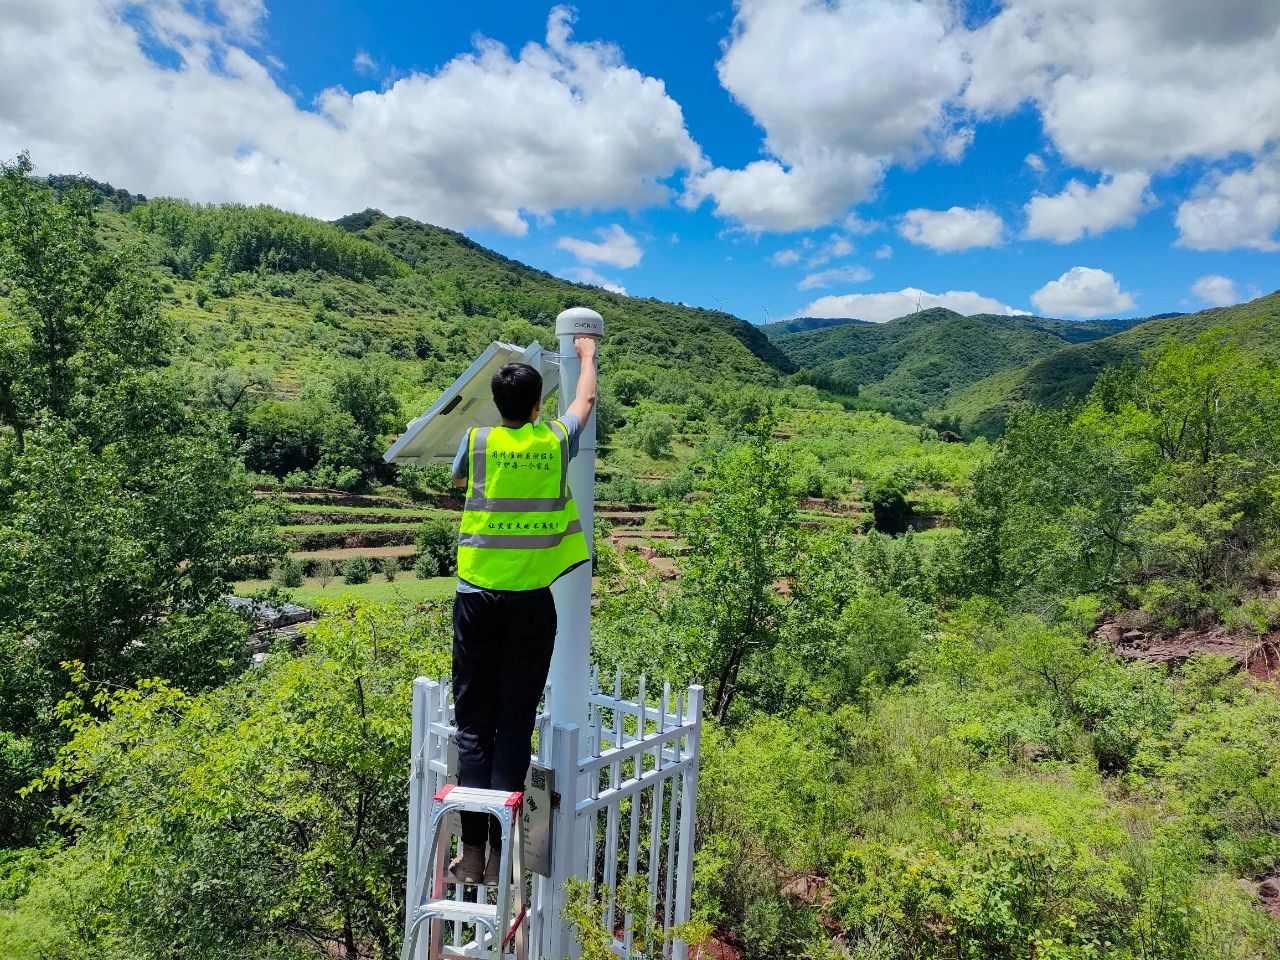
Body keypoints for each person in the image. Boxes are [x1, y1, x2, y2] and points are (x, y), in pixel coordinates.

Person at [446, 335, 598, 884]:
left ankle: (473, 851)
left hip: (475, 599)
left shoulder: (479, 441)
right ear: (538, 406)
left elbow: (460, 479)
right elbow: (584, 402)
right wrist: (586, 355)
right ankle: (505, 847)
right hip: (532, 606)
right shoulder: (556, 441)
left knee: (472, 728)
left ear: (497, 404)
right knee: (513, 729)